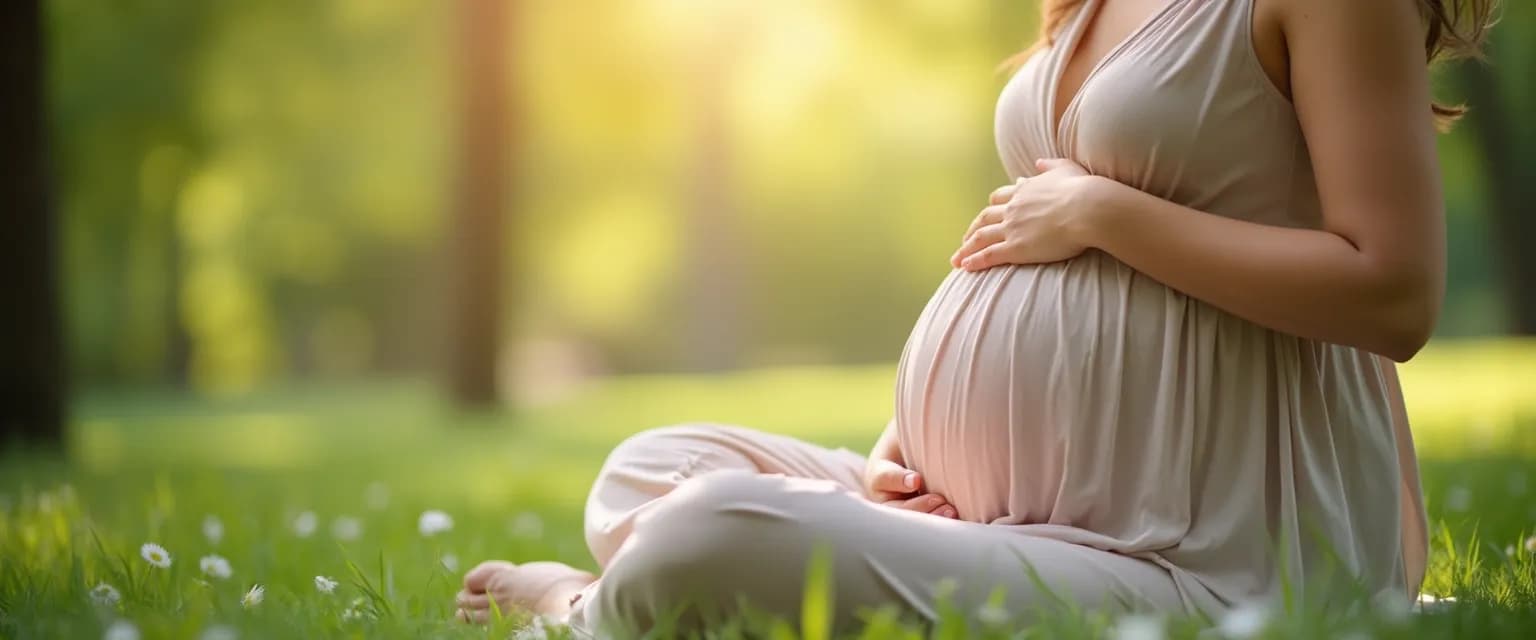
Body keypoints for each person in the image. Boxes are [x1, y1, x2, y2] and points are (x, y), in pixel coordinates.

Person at [454, 0, 1495, 634]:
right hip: (997, 511)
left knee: (711, 535)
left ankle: (576, 609)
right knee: (646, 463)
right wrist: (899, 456)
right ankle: (839, 535)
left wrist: (1105, 212)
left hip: (1203, 558)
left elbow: (1393, 291)